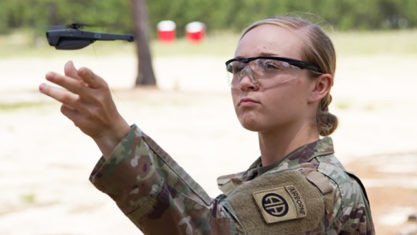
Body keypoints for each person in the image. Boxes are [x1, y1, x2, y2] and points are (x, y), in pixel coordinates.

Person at [39, 15, 374, 234]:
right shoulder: (274, 176)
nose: (247, 80)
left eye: (270, 65)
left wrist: (113, 133)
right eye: (239, 66)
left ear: (319, 86)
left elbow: (206, 228)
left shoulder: (319, 186)